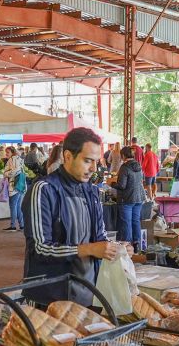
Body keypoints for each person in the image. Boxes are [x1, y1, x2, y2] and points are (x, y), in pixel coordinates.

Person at [21, 127, 120, 305]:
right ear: (67, 156)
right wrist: (88, 249)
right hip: (50, 298)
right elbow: (39, 249)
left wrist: (114, 248)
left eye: (96, 162)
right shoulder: (44, 190)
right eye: (88, 161)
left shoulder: (92, 192)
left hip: (88, 294)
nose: (93, 169)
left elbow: (99, 236)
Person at [111, 146, 146, 249]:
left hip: (126, 198)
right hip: (139, 197)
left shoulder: (124, 167)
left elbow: (122, 185)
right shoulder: (138, 165)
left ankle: (128, 247)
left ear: (123, 155)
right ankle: (137, 244)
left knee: (126, 223)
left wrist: (112, 184)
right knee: (135, 221)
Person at [2, 146, 27, 232]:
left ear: (12, 152)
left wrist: (5, 173)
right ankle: (22, 225)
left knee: (13, 206)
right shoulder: (20, 159)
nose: (6, 154)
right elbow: (22, 171)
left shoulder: (12, 160)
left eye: (7, 152)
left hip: (14, 186)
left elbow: (15, 171)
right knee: (18, 206)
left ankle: (13, 225)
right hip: (21, 185)